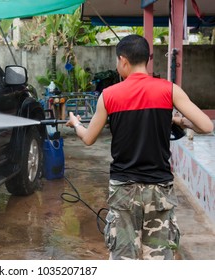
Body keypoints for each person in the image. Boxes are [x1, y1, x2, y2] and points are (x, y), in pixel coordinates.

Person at [66, 34, 214, 260]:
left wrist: (76, 123)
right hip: (159, 189)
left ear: (123, 60)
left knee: (125, 261)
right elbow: (206, 126)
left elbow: (88, 139)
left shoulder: (109, 96)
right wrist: (179, 120)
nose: (117, 67)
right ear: (146, 59)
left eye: (117, 62)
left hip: (124, 190)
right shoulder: (169, 90)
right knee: (157, 261)